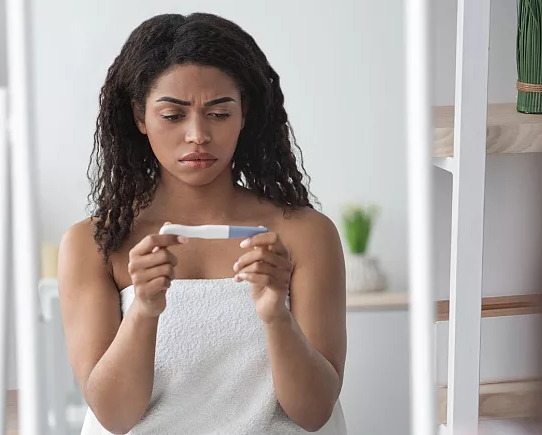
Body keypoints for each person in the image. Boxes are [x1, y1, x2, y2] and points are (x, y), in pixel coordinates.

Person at [58, 12, 347, 435]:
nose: (198, 135)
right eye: (173, 116)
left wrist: (275, 316)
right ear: (140, 117)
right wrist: (144, 310)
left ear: (244, 114)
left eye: (219, 113)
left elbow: (315, 411)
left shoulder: (306, 234)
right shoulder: (94, 243)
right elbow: (114, 416)